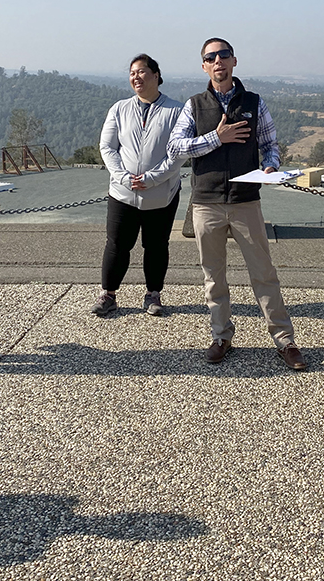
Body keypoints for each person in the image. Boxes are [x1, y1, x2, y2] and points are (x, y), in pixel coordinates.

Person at [167, 38, 305, 371]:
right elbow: (176, 148)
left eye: (223, 55)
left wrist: (271, 164)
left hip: (245, 201)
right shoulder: (194, 105)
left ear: (234, 61)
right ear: (204, 66)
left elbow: (270, 144)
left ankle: (284, 340)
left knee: (264, 274)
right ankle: (221, 337)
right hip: (207, 202)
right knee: (214, 276)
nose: (218, 61)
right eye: (210, 57)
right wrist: (218, 137)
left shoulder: (255, 103)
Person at [91, 54, 185, 317]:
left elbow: (179, 153)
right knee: (116, 245)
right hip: (122, 193)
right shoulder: (119, 109)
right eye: (132, 73)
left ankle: (153, 294)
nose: (136, 77)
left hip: (161, 193)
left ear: (156, 75)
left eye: (142, 71)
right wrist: (122, 177)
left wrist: (152, 178)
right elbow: (107, 147)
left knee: (156, 245)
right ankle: (108, 294)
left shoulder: (176, 110)